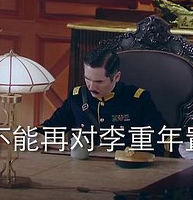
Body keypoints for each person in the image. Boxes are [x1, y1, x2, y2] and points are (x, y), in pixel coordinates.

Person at [39, 47, 169, 155]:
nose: (91, 87)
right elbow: (52, 127)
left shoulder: (137, 99)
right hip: (83, 168)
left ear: (116, 77)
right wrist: (35, 136)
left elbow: (160, 136)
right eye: (87, 79)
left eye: (99, 81)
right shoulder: (77, 97)